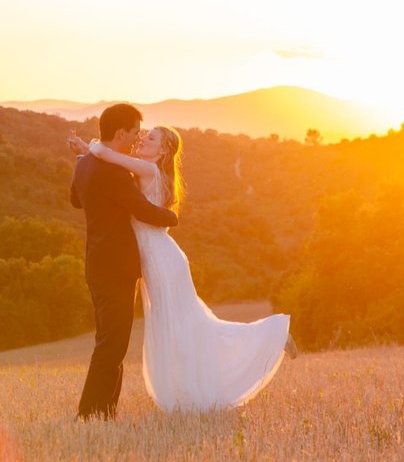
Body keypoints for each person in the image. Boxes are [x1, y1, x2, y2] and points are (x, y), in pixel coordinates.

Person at [71, 123, 297, 413]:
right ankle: (192, 390)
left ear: (163, 150)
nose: (142, 139)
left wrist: (89, 148)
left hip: (161, 260)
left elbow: (106, 153)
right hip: (160, 257)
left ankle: (272, 335)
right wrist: (84, 153)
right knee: (186, 326)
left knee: (187, 327)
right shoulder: (148, 171)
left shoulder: (148, 170)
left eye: (150, 138)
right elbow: (109, 168)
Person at [70, 104, 179, 421]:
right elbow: (143, 210)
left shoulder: (86, 164)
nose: (137, 138)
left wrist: (83, 153)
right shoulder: (117, 174)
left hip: (95, 263)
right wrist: (174, 216)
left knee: (109, 341)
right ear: (120, 133)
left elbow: (75, 200)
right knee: (112, 345)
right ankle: (89, 413)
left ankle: (105, 412)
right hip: (116, 267)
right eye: (134, 132)